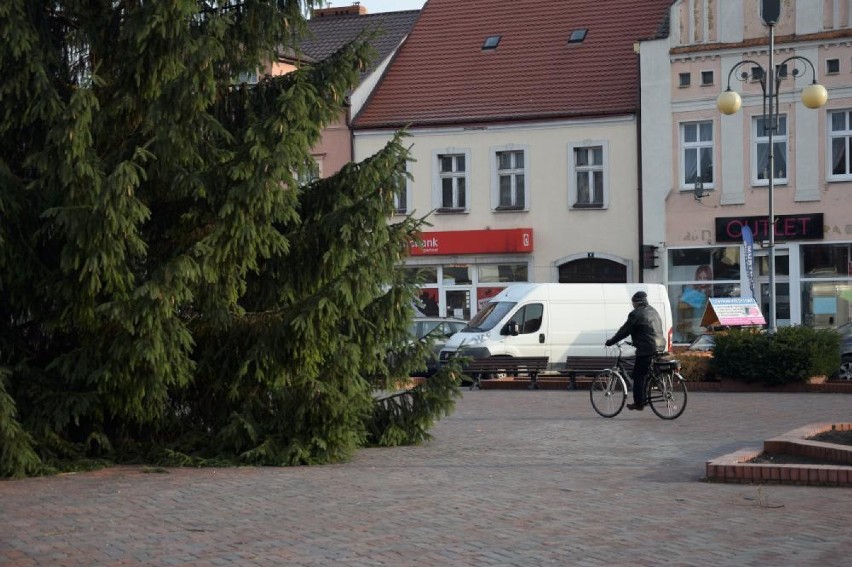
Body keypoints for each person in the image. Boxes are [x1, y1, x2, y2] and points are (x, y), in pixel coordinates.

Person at [605, 291, 666, 411]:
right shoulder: (653, 311)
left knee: (638, 375)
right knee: (645, 373)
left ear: (636, 303)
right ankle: (645, 395)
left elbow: (624, 331)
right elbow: (648, 330)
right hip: (659, 346)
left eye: (633, 303)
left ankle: (639, 403)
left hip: (646, 349)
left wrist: (611, 342)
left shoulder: (636, 314)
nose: (633, 305)